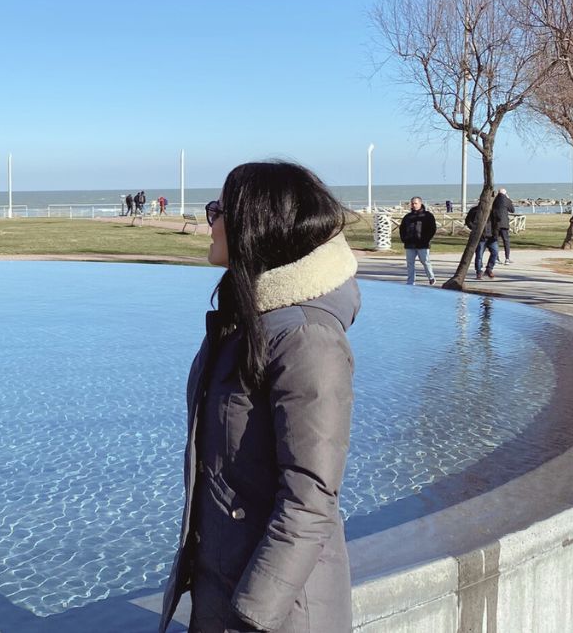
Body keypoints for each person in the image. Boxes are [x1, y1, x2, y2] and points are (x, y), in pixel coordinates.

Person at [159, 161, 357, 633]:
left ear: (256, 225)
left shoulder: (307, 339)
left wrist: (247, 618)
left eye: (218, 210)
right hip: (223, 591)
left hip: (276, 614)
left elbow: (309, 501)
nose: (211, 221)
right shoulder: (245, 323)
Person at [399, 196, 437, 285]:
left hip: (422, 244)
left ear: (420, 203)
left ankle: (431, 277)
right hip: (409, 244)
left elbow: (432, 229)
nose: (414, 205)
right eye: (412, 203)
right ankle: (410, 281)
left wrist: (426, 239)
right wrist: (404, 239)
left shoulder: (427, 215)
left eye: (416, 203)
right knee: (410, 264)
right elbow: (402, 229)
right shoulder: (407, 217)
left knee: (425, 261)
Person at [465, 203, 498, 279]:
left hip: (491, 236)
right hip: (480, 236)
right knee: (479, 254)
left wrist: (496, 233)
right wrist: (476, 229)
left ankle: (489, 269)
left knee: (495, 252)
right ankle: (479, 271)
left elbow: (497, 222)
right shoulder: (474, 210)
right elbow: (468, 221)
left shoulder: (492, 210)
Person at [492, 188, 517, 265]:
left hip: (495, 223)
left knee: (495, 241)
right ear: (505, 193)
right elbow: (512, 210)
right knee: (506, 241)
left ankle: (496, 258)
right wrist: (509, 199)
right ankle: (507, 258)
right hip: (504, 223)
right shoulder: (506, 200)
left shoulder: (495, 200)